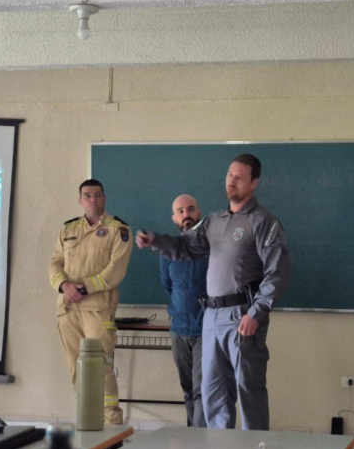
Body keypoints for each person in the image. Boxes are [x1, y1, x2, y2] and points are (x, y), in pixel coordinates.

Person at [136, 154, 290, 431]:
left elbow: (277, 273)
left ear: (254, 183)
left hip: (242, 316)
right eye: (230, 174)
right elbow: (186, 248)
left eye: (240, 177)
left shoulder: (263, 221)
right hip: (211, 317)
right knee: (212, 390)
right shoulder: (215, 221)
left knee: (248, 388)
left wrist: (256, 312)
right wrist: (156, 241)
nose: (232, 181)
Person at [48, 179, 132, 425]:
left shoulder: (119, 230)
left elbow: (115, 271)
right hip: (68, 309)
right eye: (87, 196)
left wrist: (82, 288)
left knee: (101, 369)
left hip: (97, 310)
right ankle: (88, 423)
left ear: (104, 198)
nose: (92, 200)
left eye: (97, 195)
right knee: (77, 369)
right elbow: (54, 263)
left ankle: (112, 429)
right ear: (80, 200)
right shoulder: (68, 229)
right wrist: (65, 286)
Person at [160, 194, 209, 427]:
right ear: (174, 218)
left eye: (191, 209)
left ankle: (201, 442)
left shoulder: (212, 248)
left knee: (202, 389)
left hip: (205, 330)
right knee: (188, 389)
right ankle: (193, 436)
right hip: (179, 329)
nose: (186, 214)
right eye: (180, 211)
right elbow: (167, 286)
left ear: (199, 213)